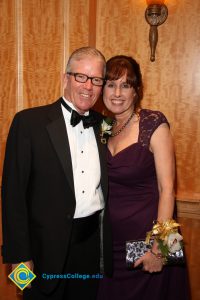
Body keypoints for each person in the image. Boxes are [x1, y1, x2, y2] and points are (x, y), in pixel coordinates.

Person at [1, 46, 111, 300]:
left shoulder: (105, 126)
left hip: (90, 249)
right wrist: (19, 260)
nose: (88, 86)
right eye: (80, 77)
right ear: (65, 78)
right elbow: (13, 195)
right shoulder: (28, 123)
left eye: (96, 80)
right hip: (40, 252)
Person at [97, 55, 190, 300]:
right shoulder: (104, 127)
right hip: (110, 246)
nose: (117, 92)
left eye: (125, 85)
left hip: (147, 244)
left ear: (137, 91)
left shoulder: (153, 123)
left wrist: (159, 248)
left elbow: (167, 189)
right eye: (110, 84)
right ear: (102, 88)